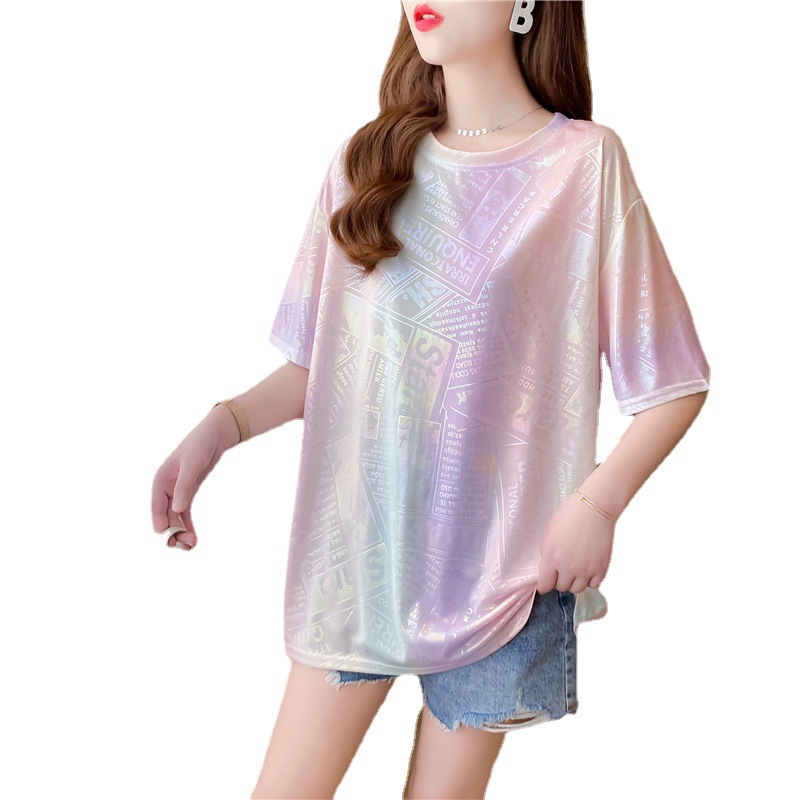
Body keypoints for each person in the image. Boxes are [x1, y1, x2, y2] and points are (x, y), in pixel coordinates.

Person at [151, 2, 711, 798]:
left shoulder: (583, 166)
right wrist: (222, 426)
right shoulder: (364, 163)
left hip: (505, 578)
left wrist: (596, 504)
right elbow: (322, 367)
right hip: (356, 568)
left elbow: (674, 382)